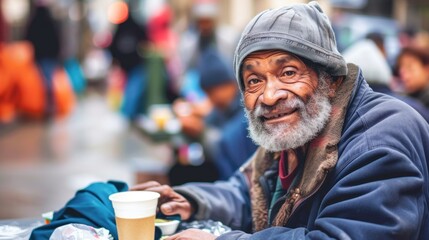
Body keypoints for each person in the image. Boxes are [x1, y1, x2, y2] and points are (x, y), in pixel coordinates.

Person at [131, 2, 429, 239]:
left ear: (332, 80)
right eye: (254, 80)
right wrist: (191, 201)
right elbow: (246, 193)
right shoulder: (297, 132)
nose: (270, 96)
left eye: (288, 73)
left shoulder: (379, 136)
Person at [342, 39, 429, 122]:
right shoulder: (406, 97)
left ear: (426, 69)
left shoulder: (420, 106)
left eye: (410, 68)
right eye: (401, 68)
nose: (404, 74)